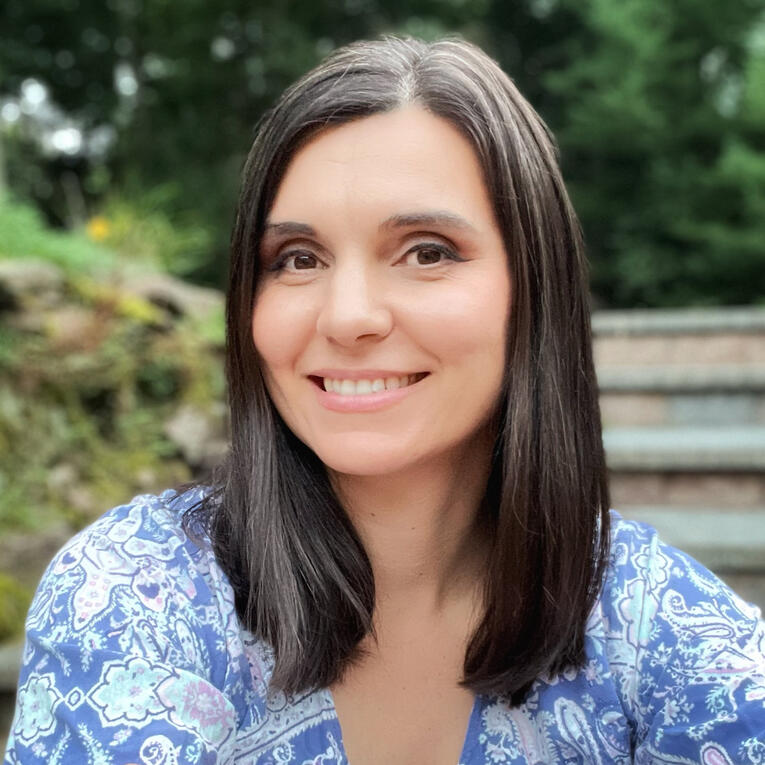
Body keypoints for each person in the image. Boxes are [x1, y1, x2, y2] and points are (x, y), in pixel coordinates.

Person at [4, 35, 765, 765]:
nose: (347, 317)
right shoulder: (136, 594)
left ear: (537, 290)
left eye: (426, 252)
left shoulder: (653, 621)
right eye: (297, 258)